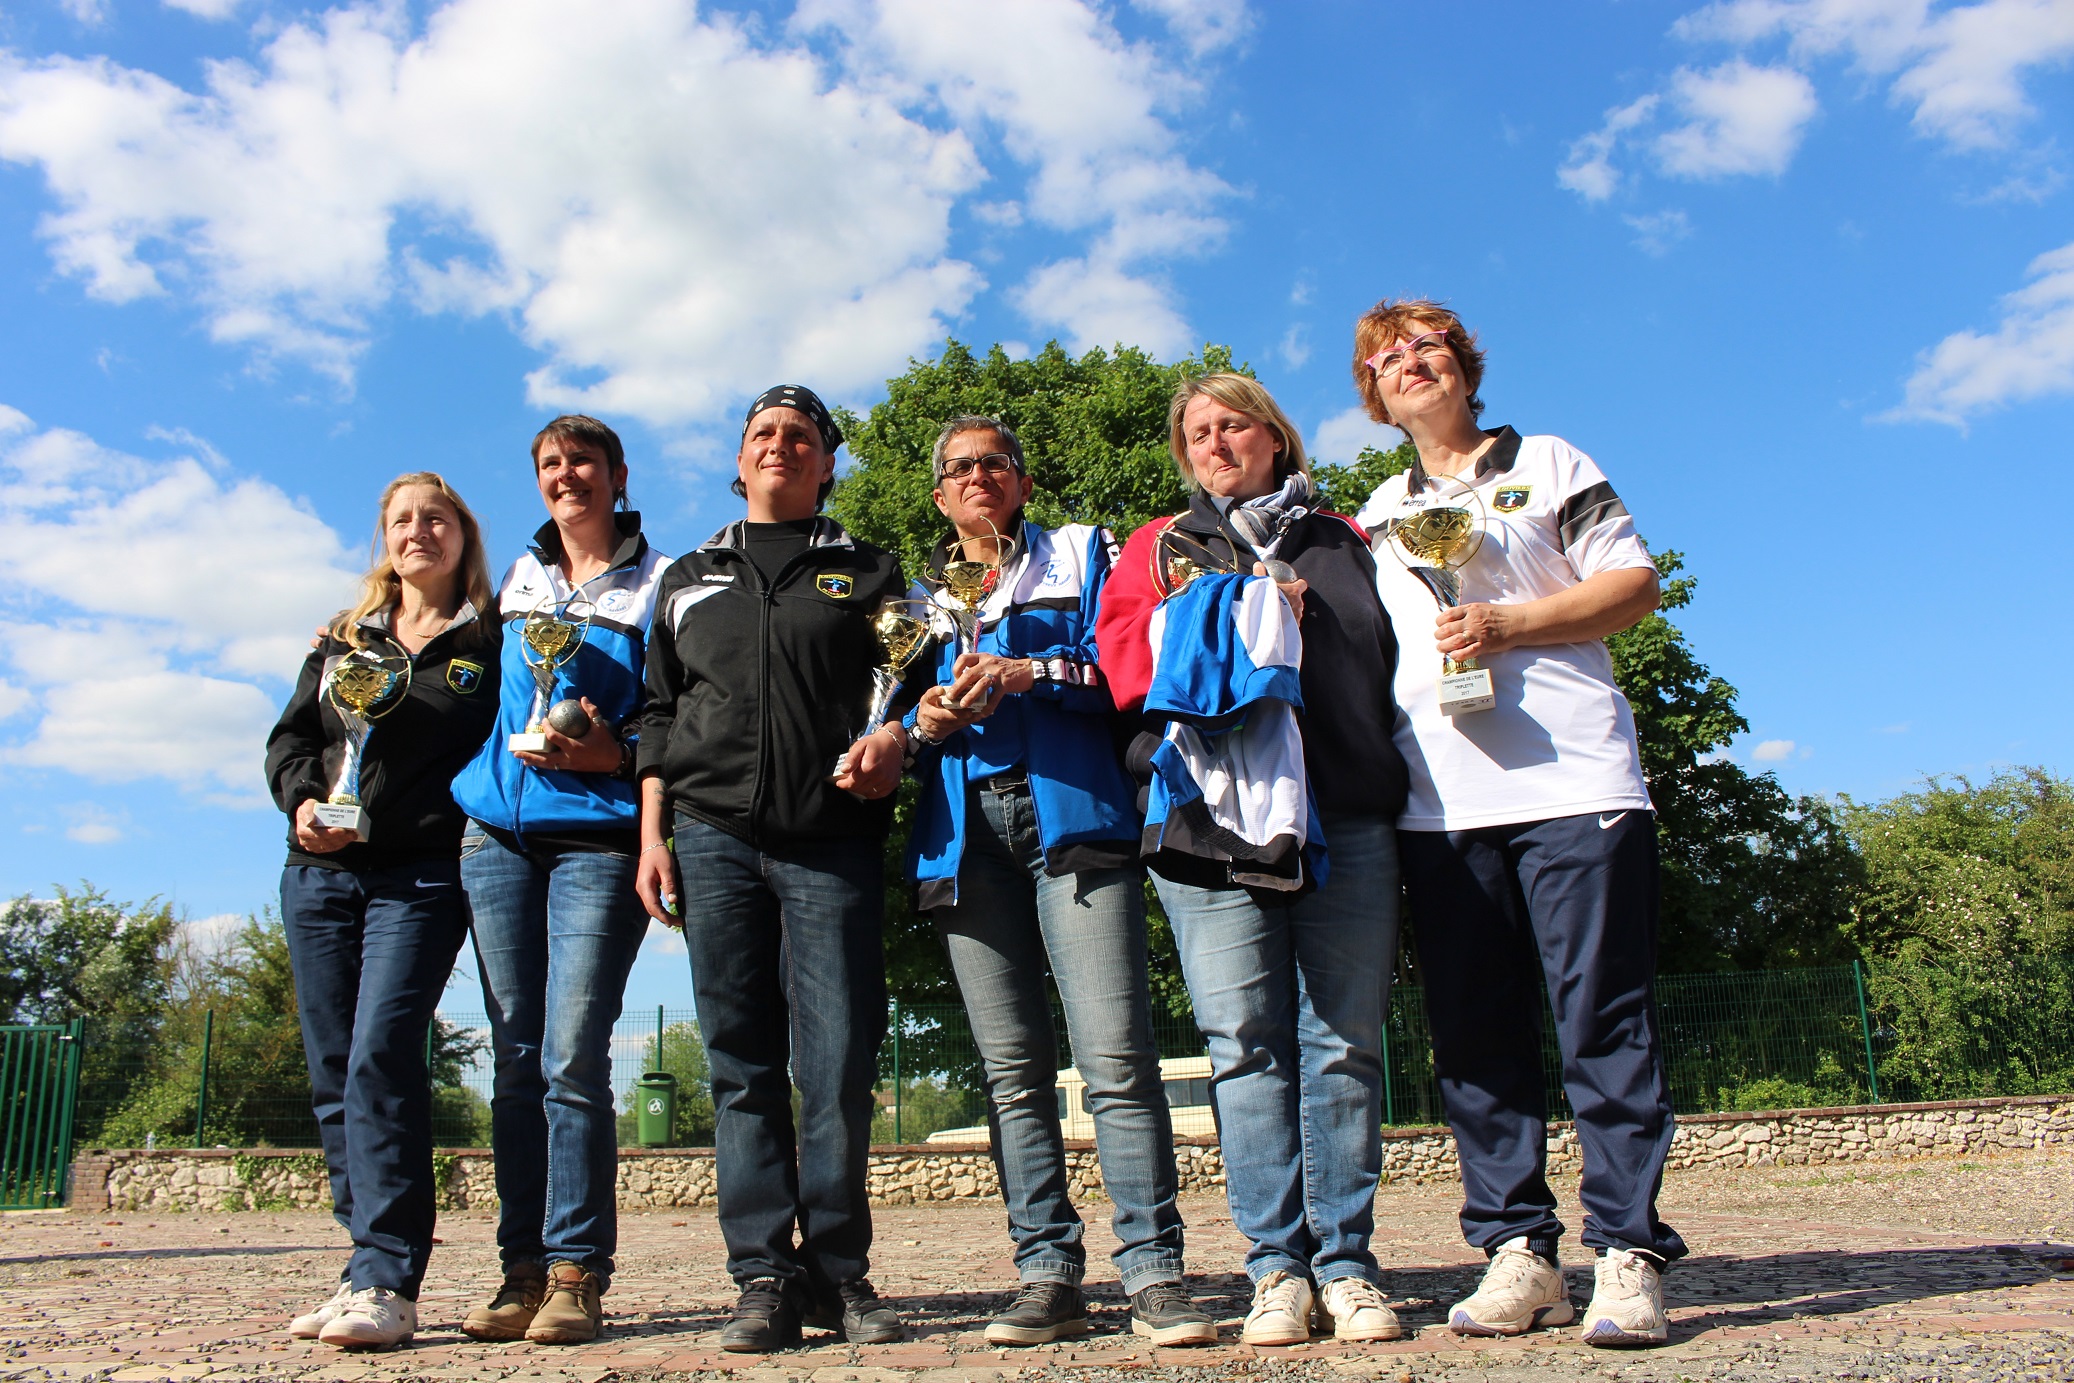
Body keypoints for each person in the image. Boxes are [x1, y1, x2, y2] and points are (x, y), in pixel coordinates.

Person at [1347, 299, 1683, 1347]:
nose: (1411, 362)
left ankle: (1625, 1251)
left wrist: (1510, 622)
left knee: (1601, 1022)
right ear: (1372, 394)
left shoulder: (1546, 460)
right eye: (1387, 356)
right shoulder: (1372, 512)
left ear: (1462, 365)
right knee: (1472, 1037)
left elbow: (1633, 584)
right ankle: (1517, 1253)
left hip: (1575, 783)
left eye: (1427, 345)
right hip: (1440, 803)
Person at [1095, 373, 1411, 1346]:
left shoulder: (1349, 536)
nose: (1217, 441)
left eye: (1234, 424)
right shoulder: (1157, 546)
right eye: (1198, 432)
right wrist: (1241, 614)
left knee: (1345, 1044)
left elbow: (1392, 657)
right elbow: (1120, 664)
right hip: (1207, 821)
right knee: (1242, 1047)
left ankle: (1346, 1264)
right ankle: (1276, 1269)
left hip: (1346, 811)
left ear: (1274, 437)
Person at [898, 416, 1215, 1347]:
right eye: (959, 467)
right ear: (939, 495)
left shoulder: (1083, 550)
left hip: (1072, 817)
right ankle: (1046, 1272)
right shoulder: (920, 598)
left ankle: (1154, 1272)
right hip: (964, 837)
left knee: (1115, 1057)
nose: (978, 476)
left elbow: (1128, 666)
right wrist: (922, 717)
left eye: (996, 462)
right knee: (1011, 1075)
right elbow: (898, 722)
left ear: (1023, 483)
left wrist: (1030, 668)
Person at [633, 385, 908, 1354]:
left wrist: (895, 743)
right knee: (739, 1066)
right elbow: (657, 716)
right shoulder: (686, 577)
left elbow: (905, 690)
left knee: (834, 1067)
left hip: (830, 839)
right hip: (709, 836)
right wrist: (651, 836)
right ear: (739, 460)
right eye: (764, 435)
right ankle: (762, 1277)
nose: (781, 446)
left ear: (827, 462)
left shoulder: (871, 572)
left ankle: (841, 1274)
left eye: (801, 437)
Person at [264, 472, 502, 1351]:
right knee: (333, 1071)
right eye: (403, 519)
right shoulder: (342, 640)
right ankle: (360, 1261)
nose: (418, 531)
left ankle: (391, 1278)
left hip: (420, 876)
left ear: (461, 537)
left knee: (380, 1054)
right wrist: (299, 802)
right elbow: (293, 739)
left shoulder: (494, 642)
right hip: (318, 872)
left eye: (436, 518)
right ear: (385, 538)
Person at [447, 415, 671, 1345]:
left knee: (573, 1053)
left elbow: (668, 716)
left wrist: (616, 761)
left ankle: (579, 1270)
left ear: (618, 476)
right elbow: (432, 644)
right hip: (495, 832)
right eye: (549, 462)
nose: (564, 474)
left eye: (581, 460)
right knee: (512, 1055)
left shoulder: (663, 581)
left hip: (600, 840)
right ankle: (520, 1269)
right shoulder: (513, 578)